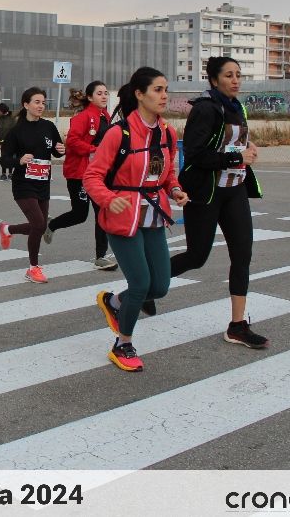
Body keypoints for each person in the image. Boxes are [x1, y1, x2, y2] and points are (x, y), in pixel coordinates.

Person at [84, 67, 188, 372]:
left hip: (153, 214)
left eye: (165, 89)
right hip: (122, 216)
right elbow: (92, 176)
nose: (164, 95)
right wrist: (108, 199)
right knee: (141, 283)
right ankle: (123, 343)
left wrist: (176, 189)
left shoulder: (168, 132)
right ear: (140, 94)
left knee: (160, 287)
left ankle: (115, 303)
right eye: (157, 89)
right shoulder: (119, 133)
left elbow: (167, 173)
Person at [168, 57, 267, 348]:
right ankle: (147, 287)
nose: (236, 80)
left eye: (238, 74)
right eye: (228, 75)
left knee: (243, 254)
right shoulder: (205, 109)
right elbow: (196, 155)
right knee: (197, 256)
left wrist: (246, 147)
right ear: (214, 80)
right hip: (206, 191)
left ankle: (237, 326)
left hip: (234, 190)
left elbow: (230, 142)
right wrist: (236, 157)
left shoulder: (237, 107)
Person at [43, 81, 118, 271]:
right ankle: (51, 225)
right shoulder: (83, 117)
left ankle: (101, 256)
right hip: (79, 173)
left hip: (99, 173)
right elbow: (73, 141)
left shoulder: (106, 116)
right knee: (79, 214)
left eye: (105, 93)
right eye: (99, 93)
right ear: (90, 97)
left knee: (102, 212)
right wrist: (95, 150)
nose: (104, 96)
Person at [0, 87, 66, 283]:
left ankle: (7, 229)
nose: (41, 106)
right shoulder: (16, 132)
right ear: (26, 104)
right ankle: (33, 268)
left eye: (43, 102)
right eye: (36, 102)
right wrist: (19, 160)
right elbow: (4, 160)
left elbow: (57, 151)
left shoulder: (49, 127)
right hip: (23, 184)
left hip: (43, 183)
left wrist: (61, 149)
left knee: (41, 226)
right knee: (38, 224)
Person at [0, 103, 17, 180]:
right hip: (2, 143)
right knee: (3, 158)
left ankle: (10, 174)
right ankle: (3, 174)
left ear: (3, 110)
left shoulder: (12, 118)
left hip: (11, 143)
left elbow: (16, 131)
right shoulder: (0, 118)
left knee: (10, 158)